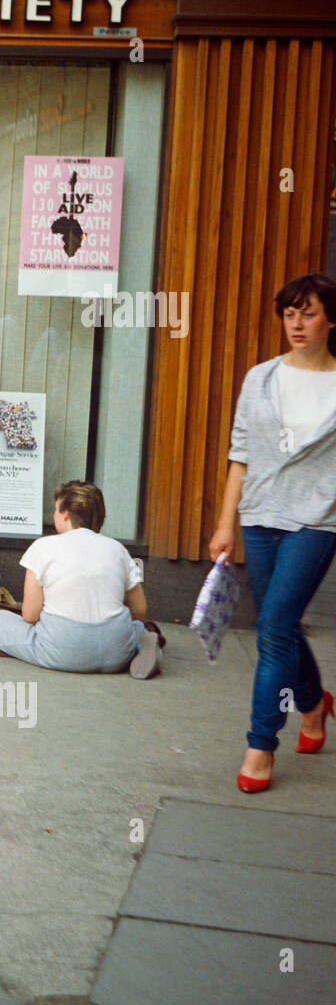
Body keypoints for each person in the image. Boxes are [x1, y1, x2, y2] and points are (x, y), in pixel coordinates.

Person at [209, 271, 336, 794]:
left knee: (274, 631)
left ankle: (260, 746)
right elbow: (240, 456)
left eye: (308, 312)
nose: (297, 323)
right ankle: (314, 704)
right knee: (278, 625)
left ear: (330, 318)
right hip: (259, 518)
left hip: (316, 521)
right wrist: (224, 524)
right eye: (289, 313)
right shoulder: (259, 378)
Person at [0, 481, 157, 676]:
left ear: (65, 514)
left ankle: (109, 644)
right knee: (135, 626)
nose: (54, 515)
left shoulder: (42, 546)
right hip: (117, 653)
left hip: (62, 650)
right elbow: (140, 610)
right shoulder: (118, 549)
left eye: (55, 509)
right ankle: (140, 641)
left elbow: (30, 615)